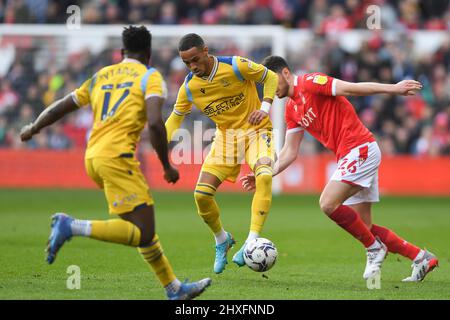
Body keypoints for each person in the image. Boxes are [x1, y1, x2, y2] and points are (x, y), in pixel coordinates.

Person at [19, 26, 211, 300]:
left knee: (138, 226)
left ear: (122, 53)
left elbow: (63, 104)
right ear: (148, 54)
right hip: (118, 158)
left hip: (93, 158)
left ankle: (174, 289)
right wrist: (167, 166)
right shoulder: (149, 76)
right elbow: (156, 123)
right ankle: (70, 225)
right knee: (144, 231)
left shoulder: (101, 76)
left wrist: (34, 127)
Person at [241, 55, 439, 281]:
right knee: (365, 227)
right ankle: (421, 257)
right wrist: (266, 173)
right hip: (351, 155)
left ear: (285, 73)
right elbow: (289, 151)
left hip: (360, 148)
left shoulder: (311, 82)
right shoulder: (291, 110)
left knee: (327, 203)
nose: (270, 89)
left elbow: (352, 88)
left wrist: (393, 89)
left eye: (271, 81)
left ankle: (374, 249)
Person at [165, 33, 278, 274]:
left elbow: (271, 77)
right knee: (201, 196)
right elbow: (175, 120)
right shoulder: (190, 87)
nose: (192, 66)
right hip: (226, 139)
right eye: (187, 63)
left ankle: (250, 242)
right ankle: (221, 240)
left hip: (257, 132)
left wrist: (265, 107)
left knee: (265, 176)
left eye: (195, 59)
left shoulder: (235, 65)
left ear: (206, 51)